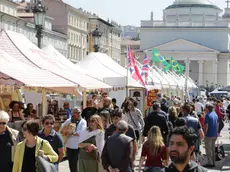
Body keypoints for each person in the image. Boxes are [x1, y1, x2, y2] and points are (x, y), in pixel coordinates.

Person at [59, 107, 87, 172]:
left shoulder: (83, 121)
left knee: (76, 164)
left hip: (78, 146)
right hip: (69, 146)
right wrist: (64, 132)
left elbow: (82, 132)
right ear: (72, 113)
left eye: (79, 112)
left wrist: (72, 133)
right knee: (71, 164)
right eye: (76, 112)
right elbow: (61, 129)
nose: (78, 114)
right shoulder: (69, 120)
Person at [203, 103, 218, 168]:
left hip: (209, 134)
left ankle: (210, 163)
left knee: (208, 150)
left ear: (207, 108)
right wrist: (217, 133)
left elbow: (206, 126)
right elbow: (217, 124)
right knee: (212, 149)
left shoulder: (207, 115)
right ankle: (213, 162)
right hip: (214, 134)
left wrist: (205, 134)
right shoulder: (215, 114)